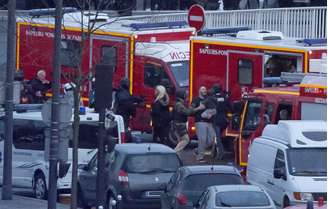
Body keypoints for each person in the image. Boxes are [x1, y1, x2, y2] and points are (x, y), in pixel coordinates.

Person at [173, 89, 204, 154]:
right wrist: (197, 108)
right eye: (185, 95)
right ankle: (173, 153)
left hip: (178, 124)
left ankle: (177, 157)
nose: (186, 96)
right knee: (185, 140)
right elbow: (187, 112)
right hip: (179, 124)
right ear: (182, 95)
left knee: (180, 142)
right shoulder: (179, 104)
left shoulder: (180, 103)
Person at [192, 86, 217, 162]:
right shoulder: (195, 99)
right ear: (199, 91)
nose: (205, 90)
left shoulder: (208, 99)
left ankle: (197, 150)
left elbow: (213, 109)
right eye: (202, 89)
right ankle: (200, 157)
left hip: (209, 122)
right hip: (200, 121)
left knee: (212, 140)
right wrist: (199, 108)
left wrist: (211, 114)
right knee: (202, 140)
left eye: (205, 89)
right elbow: (190, 110)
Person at [211, 84, 230, 160]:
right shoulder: (224, 97)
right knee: (220, 137)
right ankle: (214, 152)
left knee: (217, 138)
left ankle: (221, 153)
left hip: (216, 120)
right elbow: (230, 107)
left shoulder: (213, 98)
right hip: (224, 120)